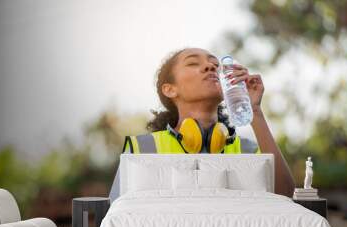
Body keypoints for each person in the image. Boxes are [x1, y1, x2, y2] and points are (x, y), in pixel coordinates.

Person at [110, 47, 295, 200]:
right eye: (192, 63)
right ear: (169, 89)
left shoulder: (248, 150)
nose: (210, 67)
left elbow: (285, 196)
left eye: (216, 65)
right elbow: (114, 216)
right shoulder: (141, 148)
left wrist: (255, 111)